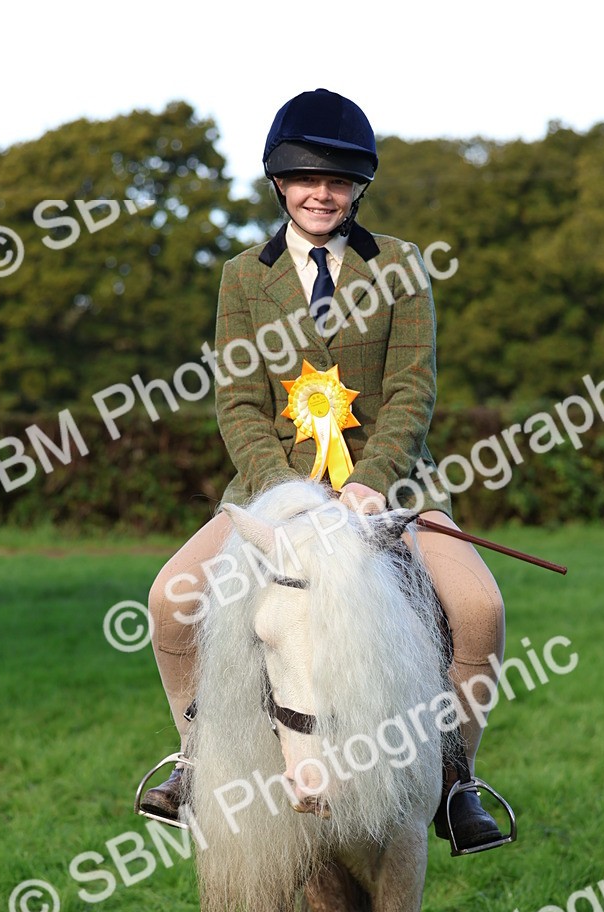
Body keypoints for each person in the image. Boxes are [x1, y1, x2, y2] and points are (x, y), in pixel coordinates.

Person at [136, 88, 514, 854]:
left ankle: (456, 777)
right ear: (280, 183)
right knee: (168, 601)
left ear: (357, 189)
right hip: (271, 493)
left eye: (338, 182)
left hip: (391, 488)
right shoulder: (244, 277)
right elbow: (238, 400)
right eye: (306, 179)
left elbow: (413, 386)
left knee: (479, 610)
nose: (321, 192)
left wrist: (373, 475)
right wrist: (288, 494)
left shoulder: (400, 266)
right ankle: (194, 755)